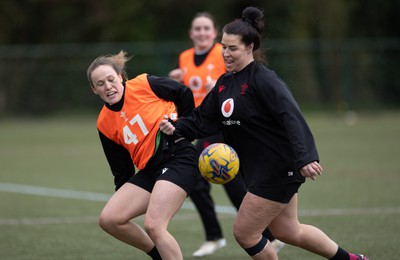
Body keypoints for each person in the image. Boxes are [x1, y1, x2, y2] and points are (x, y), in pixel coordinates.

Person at [160, 6, 369, 260]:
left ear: (250, 47)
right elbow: (202, 120)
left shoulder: (264, 80)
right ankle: (350, 259)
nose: (225, 53)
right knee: (289, 231)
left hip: (279, 169)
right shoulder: (225, 83)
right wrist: (175, 126)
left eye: (232, 48)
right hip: (260, 170)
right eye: (223, 47)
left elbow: (290, 116)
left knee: (244, 232)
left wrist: (306, 157)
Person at [169, 12, 284, 257]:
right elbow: (188, 94)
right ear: (191, 33)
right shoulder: (185, 58)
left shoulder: (225, 54)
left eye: (206, 28)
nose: (201, 32)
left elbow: (238, 82)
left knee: (211, 178)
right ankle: (238, 236)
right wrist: (177, 81)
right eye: (196, 28)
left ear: (213, 33)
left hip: (224, 124)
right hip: (200, 123)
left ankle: (251, 235)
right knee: (219, 182)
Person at [87, 50, 201, 260]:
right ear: (94, 90)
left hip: (179, 158)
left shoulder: (144, 84)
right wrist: (125, 196)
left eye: (111, 79)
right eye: (100, 84)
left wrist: (184, 128)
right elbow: (121, 168)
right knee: (110, 219)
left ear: (120, 77)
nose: (108, 86)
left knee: (154, 225)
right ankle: (159, 254)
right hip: (150, 171)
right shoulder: (104, 123)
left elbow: (183, 93)